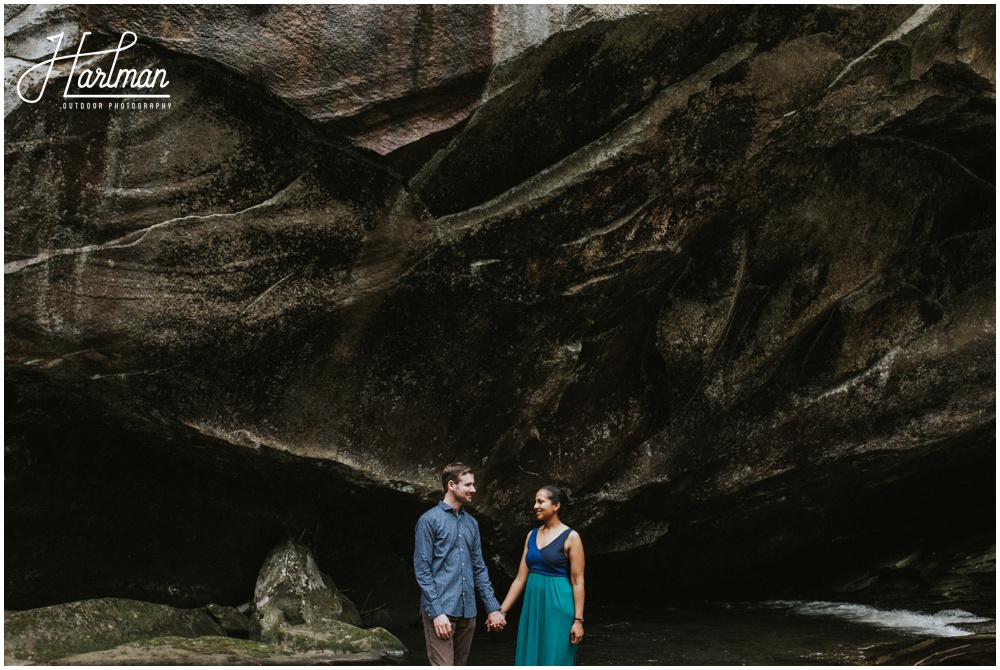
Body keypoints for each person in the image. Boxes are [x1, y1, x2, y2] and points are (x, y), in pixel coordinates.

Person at [414, 462, 507, 665]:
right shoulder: (428, 520)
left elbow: (479, 568)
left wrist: (492, 608)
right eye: (468, 485)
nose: (473, 490)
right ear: (451, 485)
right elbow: (422, 571)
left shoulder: (472, 523)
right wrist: (437, 613)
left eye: (473, 485)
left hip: (468, 611)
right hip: (440, 608)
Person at [498, 485, 585, 666]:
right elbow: (520, 579)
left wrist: (578, 620)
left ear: (556, 506)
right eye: (535, 502)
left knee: (553, 657)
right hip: (532, 606)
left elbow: (578, 582)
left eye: (540, 501)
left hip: (558, 606)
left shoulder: (572, 537)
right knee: (530, 656)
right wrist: (502, 611)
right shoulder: (531, 535)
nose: (535, 506)